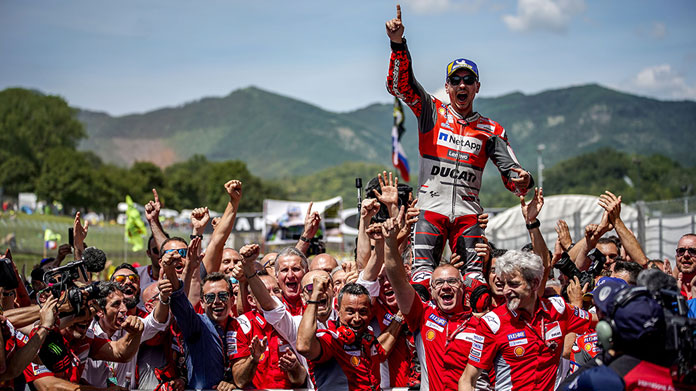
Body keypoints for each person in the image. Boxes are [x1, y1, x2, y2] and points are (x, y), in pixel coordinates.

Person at [385, 4, 533, 285]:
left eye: (468, 80)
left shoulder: (491, 129)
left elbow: (515, 180)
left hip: (468, 216)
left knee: (474, 283)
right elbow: (399, 86)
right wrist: (397, 44)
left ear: (477, 86)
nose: (462, 85)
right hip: (430, 211)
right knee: (422, 281)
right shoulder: (431, 110)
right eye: (456, 80)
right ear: (448, 85)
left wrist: (523, 179)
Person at [459, 250, 595, 391]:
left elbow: (598, 320)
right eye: (504, 283)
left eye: (513, 284)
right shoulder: (492, 323)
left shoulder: (558, 309)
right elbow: (467, 380)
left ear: (535, 283)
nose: (506, 290)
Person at [381, 206, 480, 391]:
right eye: (439, 283)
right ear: (432, 291)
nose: (445, 286)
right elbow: (397, 279)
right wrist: (389, 243)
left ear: (464, 287)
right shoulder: (422, 314)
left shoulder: (481, 324)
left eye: (452, 281)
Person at [559, 281, 677, 390]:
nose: (598, 315)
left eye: (604, 314)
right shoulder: (681, 369)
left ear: (609, 329)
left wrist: (606, 355)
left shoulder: (604, 379)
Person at [158, 237, 239, 390]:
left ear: (232, 299)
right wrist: (170, 272)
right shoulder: (197, 325)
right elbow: (180, 302)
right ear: (201, 302)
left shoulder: (242, 325)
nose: (216, 301)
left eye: (222, 296)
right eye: (209, 297)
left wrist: (234, 383)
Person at [297, 279, 401, 391]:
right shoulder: (331, 339)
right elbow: (304, 346)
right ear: (337, 310)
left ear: (370, 311)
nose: (357, 318)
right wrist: (314, 299)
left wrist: (400, 317)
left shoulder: (367, 338)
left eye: (362, 312)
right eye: (350, 312)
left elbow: (382, 350)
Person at [82, 281, 169, 387]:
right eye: (116, 304)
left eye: (124, 302)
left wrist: (164, 298)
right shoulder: (87, 334)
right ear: (100, 310)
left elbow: (156, 321)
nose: (124, 309)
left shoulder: (132, 326)